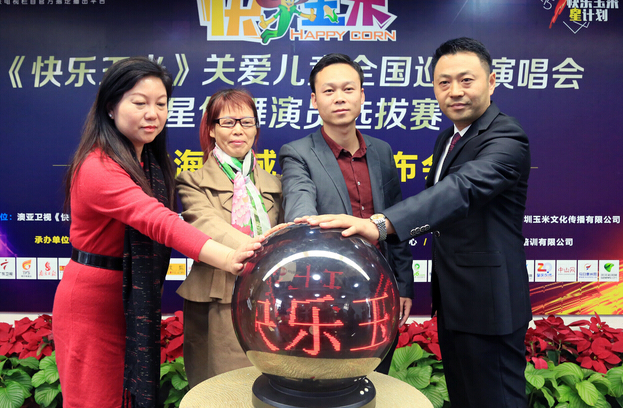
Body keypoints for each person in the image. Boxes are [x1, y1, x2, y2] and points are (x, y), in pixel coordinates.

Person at [302, 38, 532, 408]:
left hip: (490, 304)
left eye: (466, 80)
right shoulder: (449, 139)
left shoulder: (506, 136)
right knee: (466, 398)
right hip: (456, 303)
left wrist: (379, 224)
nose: (455, 91)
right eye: (444, 82)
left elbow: (461, 190)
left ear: (491, 82)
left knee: (497, 400)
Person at [52, 58, 262, 408]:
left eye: (161, 104)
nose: (153, 114)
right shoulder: (98, 166)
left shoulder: (149, 162)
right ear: (110, 107)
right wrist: (229, 257)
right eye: (139, 103)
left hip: (132, 297)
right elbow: (159, 221)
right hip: (94, 305)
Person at [278, 53, 414, 375]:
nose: (339, 97)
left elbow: (396, 221)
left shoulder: (382, 151)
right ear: (314, 100)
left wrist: (404, 286)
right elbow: (300, 208)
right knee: (327, 381)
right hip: (326, 293)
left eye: (348, 89)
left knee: (377, 378)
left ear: (362, 95)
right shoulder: (297, 152)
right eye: (329, 90)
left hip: (380, 291)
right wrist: (307, 222)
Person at [175, 89, 283, 388]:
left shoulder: (276, 184)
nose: (238, 130)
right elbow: (204, 222)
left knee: (271, 386)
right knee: (222, 387)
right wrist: (262, 250)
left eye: (247, 122)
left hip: (271, 298)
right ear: (211, 129)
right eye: (227, 122)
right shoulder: (192, 181)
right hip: (218, 296)